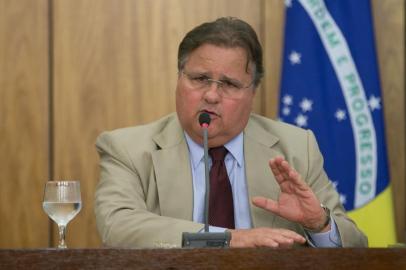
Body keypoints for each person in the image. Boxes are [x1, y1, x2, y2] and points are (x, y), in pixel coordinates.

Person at [94, 17, 368, 248]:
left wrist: (317, 223)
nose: (211, 95)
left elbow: (357, 244)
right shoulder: (128, 148)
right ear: (179, 78)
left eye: (230, 84)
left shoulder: (296, 148)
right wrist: (229, 238)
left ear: (252, 93)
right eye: (200, 79)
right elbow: (118, 227)